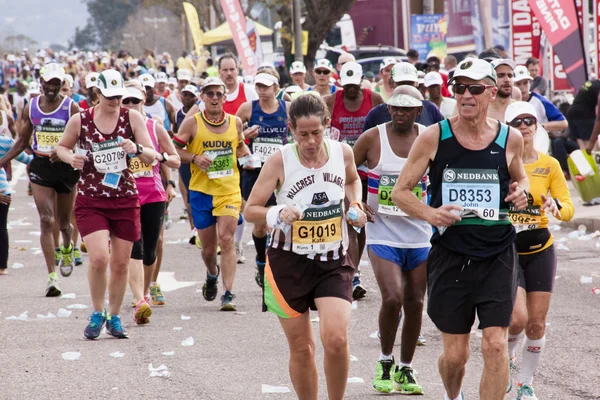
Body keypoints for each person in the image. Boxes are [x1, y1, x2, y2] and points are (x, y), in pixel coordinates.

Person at [392, 58, 529, 400]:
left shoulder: (510, 138)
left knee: (496, 345)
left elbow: (520, 175)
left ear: (491, 92)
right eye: (460, 88)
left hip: (497, 251)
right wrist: (431, 214)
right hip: (451, 255)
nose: (466, 95)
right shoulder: (434, 136)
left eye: (475, 88)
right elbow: (400, 191)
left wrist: (521, 190)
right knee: (456, 356)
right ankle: (453, 395)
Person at [244, 93, 367, 400]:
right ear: (290, 129)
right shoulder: (280, 160)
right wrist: (276, 212)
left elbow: (352, 181)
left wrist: (355, 204)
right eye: (303, 135)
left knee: (336, 338)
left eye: (317, 133)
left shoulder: (343, 152)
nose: (311, 141)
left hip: (333, 260)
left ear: (327, 124)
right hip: (289, 262)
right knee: (303, 349)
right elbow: (250, 210)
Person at [56, 69, 157, 340]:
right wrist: (70, 159)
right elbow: (61, 147)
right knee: (100, 257)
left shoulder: (131, 118)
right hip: (92, 199)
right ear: (97, 94)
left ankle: (113, 317)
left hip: (124, 198)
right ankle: (97, 312)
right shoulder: (81, 120)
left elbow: (152, 155)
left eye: (119, 96)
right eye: (110, 96)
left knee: (122, 263)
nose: (115, 101)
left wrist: (135, 148)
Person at [353, 91, 428, 395]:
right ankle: (385, 361)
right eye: (395, 107)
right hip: (381, 231)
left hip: (419, 233)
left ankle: (406, 368)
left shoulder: (429, 138)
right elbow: (347, 172)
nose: (400, 112)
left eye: (407, 109)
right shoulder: (372, 138)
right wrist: (356, 200)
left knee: (415, 303)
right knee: (393, 297)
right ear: (388, 108)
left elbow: (444, 173)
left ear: (418, 112)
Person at [504, 102, 574, 400]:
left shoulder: (550, 164)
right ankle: (504, 360)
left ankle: (525, 382)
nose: (524, 125)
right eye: (517, 121)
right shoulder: (500, 163)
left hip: (540, 247)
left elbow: (568, 209)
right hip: (507, 249)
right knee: (517, 319)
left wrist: (555, 207)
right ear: (508, 128)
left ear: (537, 125)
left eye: (529, 120)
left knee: (536, 323)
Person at [0, 63, 80, 297]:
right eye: (49, 83)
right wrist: (3, 160)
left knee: (63, 224)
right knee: (46, 219)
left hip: (65, 167)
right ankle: (52, 278)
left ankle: (67, 245)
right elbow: (22, 141)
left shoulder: (70, 107)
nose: (53, 87)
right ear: (42, 82)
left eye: (57, 83)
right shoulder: (31, 107)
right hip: (41, 166)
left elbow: (82, 140)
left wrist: (67, 151)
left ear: (62, 84)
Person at [173, 77, 250, 311]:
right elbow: (175, 150)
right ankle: (211, 272)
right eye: (210, 94)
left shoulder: (235, 122)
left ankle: (228, 293)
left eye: (218, 94)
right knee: (208, 249)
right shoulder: (192, 123)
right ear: (203, 97)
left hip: (228, 190)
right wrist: (195, 158)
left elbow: (240, 146)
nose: (214, 98)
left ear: (225, 97)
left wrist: (248, 158)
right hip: (201, 192)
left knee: (226, 239)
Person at [324, 61, 384, 299]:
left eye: (354, 85)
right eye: (346, 85)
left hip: (368, 169)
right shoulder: (331, 101)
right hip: (343, 168)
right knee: (350, 218)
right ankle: (353, 273)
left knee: (362, 222)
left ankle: (354, 269)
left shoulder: (375, 98)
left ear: (361, 81)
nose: (350, 90)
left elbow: (385, 126)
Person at [121, 81, 180, 323]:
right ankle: (140, 299)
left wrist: (162, 162)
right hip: (124, 196)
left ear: (144, 100)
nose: (131, 105)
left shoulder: (154, 127)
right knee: (134, 248)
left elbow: (175, 159)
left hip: (153, 195)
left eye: (135, 100)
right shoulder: (113, 129)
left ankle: (145, 290)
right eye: (126, 101)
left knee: (149, 251)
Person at [236, 68, 290, 287]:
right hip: (255, 172)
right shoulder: (248, 108)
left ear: (276, 88)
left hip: (282, 171)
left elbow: (300, 131)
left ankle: (278, 265)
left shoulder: (288, 107)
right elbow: (229, 134)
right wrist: (243, 137)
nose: (262, 91)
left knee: (280, 222)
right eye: (259, 86)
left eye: (267, 86)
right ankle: (260, 261)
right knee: (260, 225)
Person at [363, 62, 444, 131]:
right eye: (401, 84)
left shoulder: (430, 109)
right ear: (391, 83)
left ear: (416, 84)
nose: (405, 88)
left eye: (410, 84)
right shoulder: (376, 114)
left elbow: (445, 137)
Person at [0, 129, 33, 276]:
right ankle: (2, 267)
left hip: (2, 192)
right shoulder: (6, 142)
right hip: (2, 191)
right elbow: (28, 160)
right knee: (1, 228)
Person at [175, 84, 200, 244]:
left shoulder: (201, 113)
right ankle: (193, 227)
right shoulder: (178, 113)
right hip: (185, 157)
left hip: (198, 155)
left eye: (191, 95)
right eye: (185, 94)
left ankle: (201, 227)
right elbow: (176, 134)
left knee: (198, 191)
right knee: (189, 193)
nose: (187, 98)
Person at [513, 66, 567, 133]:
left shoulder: (540, 101)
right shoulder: (508, 102)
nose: (522, 87)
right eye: (518, 84)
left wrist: (539, 127)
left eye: (525, 83)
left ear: (530, 83)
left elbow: (563, 123)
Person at [568, 79, 600, 151]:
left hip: (572, 113)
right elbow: (598, 113)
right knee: (591, 147)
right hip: (584, 116)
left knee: (583, 148)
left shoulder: (593, 82)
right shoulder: (598, 87)